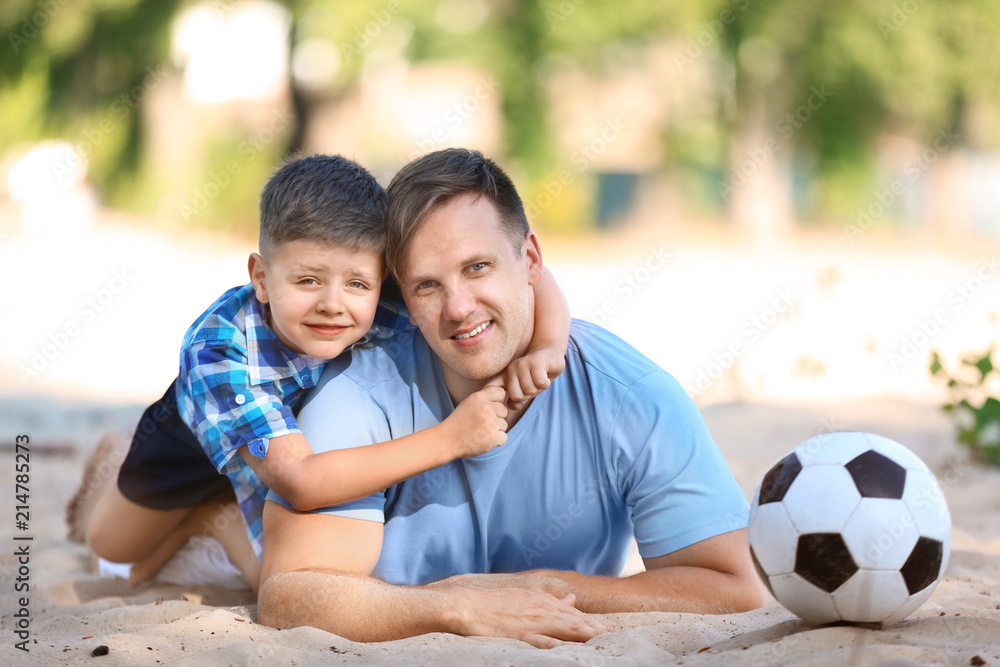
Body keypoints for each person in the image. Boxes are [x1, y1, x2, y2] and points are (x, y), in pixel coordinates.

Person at [255, 148, 767, 648]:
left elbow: (736, 586)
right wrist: (456, 605)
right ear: (403, 300)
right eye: (428, 285)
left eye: (478, 268)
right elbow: (290, 595)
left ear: (531, 260)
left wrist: (536, 592)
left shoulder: (630, 395)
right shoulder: (359, 394)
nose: (458, 307)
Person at [81, 153, 571, 593]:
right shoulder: (219, 354)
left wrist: (548, 347)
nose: (333, 305)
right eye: (307, 280)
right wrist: (452, 438)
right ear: (261, 277)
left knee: (279, 582)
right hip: (196, 435)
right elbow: (299, 480)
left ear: (383, 277)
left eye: (357, 283)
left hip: (298, 431)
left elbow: (533, 274)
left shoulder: (387, 287)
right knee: (111, 546)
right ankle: (165, 481)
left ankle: (212, 519)